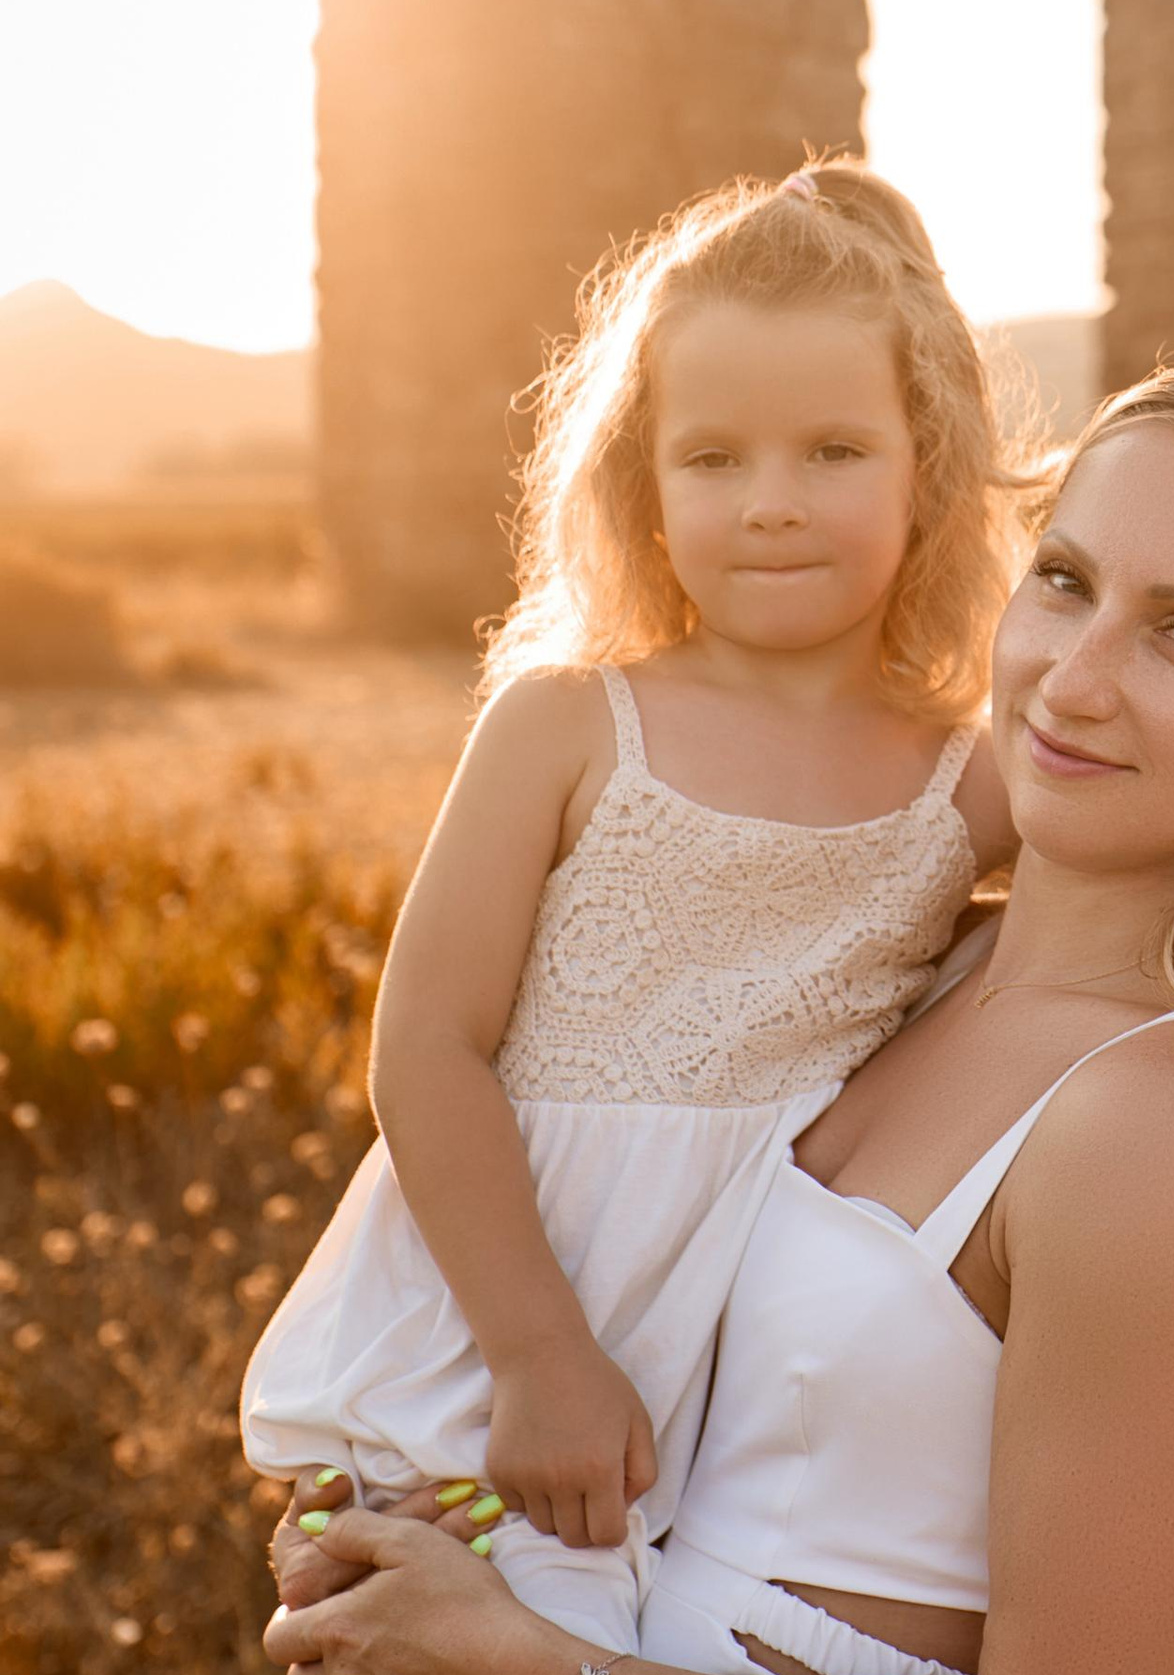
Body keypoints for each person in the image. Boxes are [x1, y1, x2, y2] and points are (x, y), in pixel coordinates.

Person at [262, 365, 1174, 1675]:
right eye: (1064, 581)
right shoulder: (921, 961)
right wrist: (441, 1534)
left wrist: (523, 1659)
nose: (1072, 679)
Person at [241, 160, 1024, 1651]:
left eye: (835, 452)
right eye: (713, 458)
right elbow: (428, 1049)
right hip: (500, 1320)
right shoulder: (571, 726)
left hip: (738, 1366)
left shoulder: (964, 781)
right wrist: (538, 1352)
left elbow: (1151, 950)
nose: (773, 506)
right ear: (640, 484)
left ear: (928, 465)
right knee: (416, 1625)